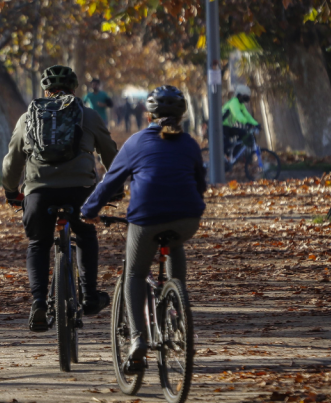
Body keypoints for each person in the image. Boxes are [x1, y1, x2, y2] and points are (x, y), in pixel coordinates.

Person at [81, 85, 206, 372]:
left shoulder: (136, 143)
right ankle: (177, 306)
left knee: (135, 273)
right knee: (174, 242)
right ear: (181, 117)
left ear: (148, 115)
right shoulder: (189, 144)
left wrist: (89, 211)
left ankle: (138, 340)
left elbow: (110, 182)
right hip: (188, 218)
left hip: (147, 218)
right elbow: (200, 184)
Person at [1, 65, 119, 332]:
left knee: (38, 243)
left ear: (46, 91)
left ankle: (39, 303)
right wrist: (115, 187)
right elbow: (110, 154)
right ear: (74, 89)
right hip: (80, 191)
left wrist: (11, 191)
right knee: (85, 234)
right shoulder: (88, 115)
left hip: (38, 193)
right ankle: (89, 296)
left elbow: (12, 162)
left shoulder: (27, 118)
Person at [221, 84, 259, 154]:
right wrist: (246, 123)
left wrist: (256, 124)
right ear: (240, 95)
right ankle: (225, 157)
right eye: (246, 96)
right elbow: (237, 114)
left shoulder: (241, 104)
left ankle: (234, 154)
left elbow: (247, 115)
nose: (248, 98)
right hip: (220, 126)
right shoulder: (233, 102)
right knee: (226, 145)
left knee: (244, 133)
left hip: (228, 126)